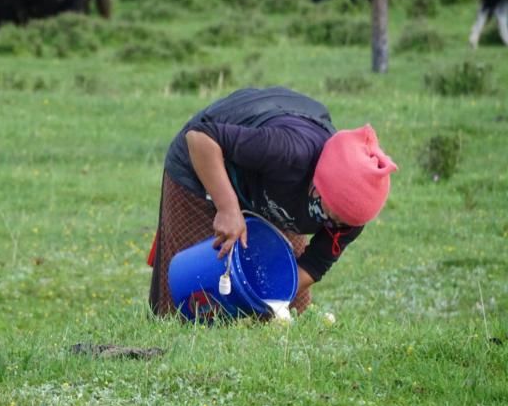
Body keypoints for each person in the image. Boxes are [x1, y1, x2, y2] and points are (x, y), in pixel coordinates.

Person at [147, 86, 398, 317]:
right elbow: (200, 138)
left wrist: (266, 297)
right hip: (203, 161)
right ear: (318, 186)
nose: (336, 225)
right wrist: (227, 208)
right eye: (333, 214)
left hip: (271, 191)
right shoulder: (288, 151)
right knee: (189, 292)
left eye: (344, 222)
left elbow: (313, 265)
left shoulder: (353, 216)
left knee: (290, 308)